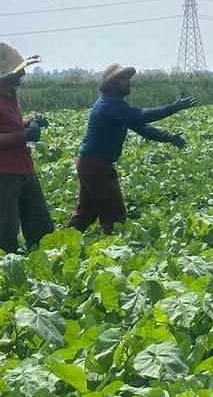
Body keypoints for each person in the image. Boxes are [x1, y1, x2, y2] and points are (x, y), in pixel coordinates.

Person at [67, 64, 198, 234]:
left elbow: (142, 127)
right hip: (96, 164)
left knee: (87, 212)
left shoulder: (117, 106)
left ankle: (60, 245)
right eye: (124, 79)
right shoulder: (109, 105)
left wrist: (169, 137)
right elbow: (142, 115)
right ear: (112, 84)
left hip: (90, 163)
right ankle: (113, 250)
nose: (128, 83)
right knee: (115, 215)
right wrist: (173, 107)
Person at [0, 43, 54, 254]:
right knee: (5, 231)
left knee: (41, 225)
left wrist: (29, 122)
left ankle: (42, 268)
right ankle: (7, 276)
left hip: (24, 169)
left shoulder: (11, 97)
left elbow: (10, 124)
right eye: (18, 72)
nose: (22, 75)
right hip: (4, 174)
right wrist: (23, 135)